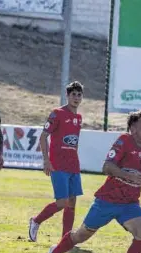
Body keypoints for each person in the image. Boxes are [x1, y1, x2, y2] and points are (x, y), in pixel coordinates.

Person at [40, 110, 141, 253]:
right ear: (132, 129)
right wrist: (127, 176)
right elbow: (106, 167)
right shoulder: (124, 141)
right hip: (107, 200)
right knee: (80, 236)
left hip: (129, 203)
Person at [28, 81, 84, 242]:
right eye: (73, 94)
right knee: (62, 202)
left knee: (72, 202)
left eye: (79, 95)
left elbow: (75, 141)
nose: (76, 97)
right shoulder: (57, 113)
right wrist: (46, 161)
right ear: (67, 96)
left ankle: (66, 239)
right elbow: (44, 136)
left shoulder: (78, 118)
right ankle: (36, 221)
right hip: (58, 164)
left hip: (73, 164)